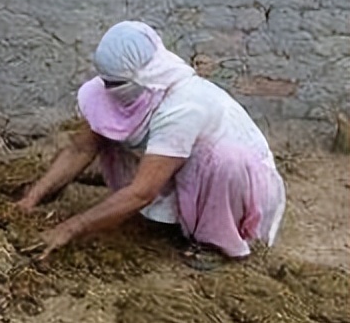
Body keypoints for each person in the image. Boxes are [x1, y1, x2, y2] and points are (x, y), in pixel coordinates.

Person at [17, 21, 286, 265]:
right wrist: (31, 200)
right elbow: (81, 147)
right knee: (119, 140)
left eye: (114, 83)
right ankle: (179, 212)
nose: (108, 89)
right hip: (182, 167)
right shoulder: (125, 88)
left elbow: (141, 193)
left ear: (138, 76)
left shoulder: (183, 106)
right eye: (106, 81)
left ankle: (217, 241)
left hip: (238, 183)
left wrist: (69, 229)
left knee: (224, 162)